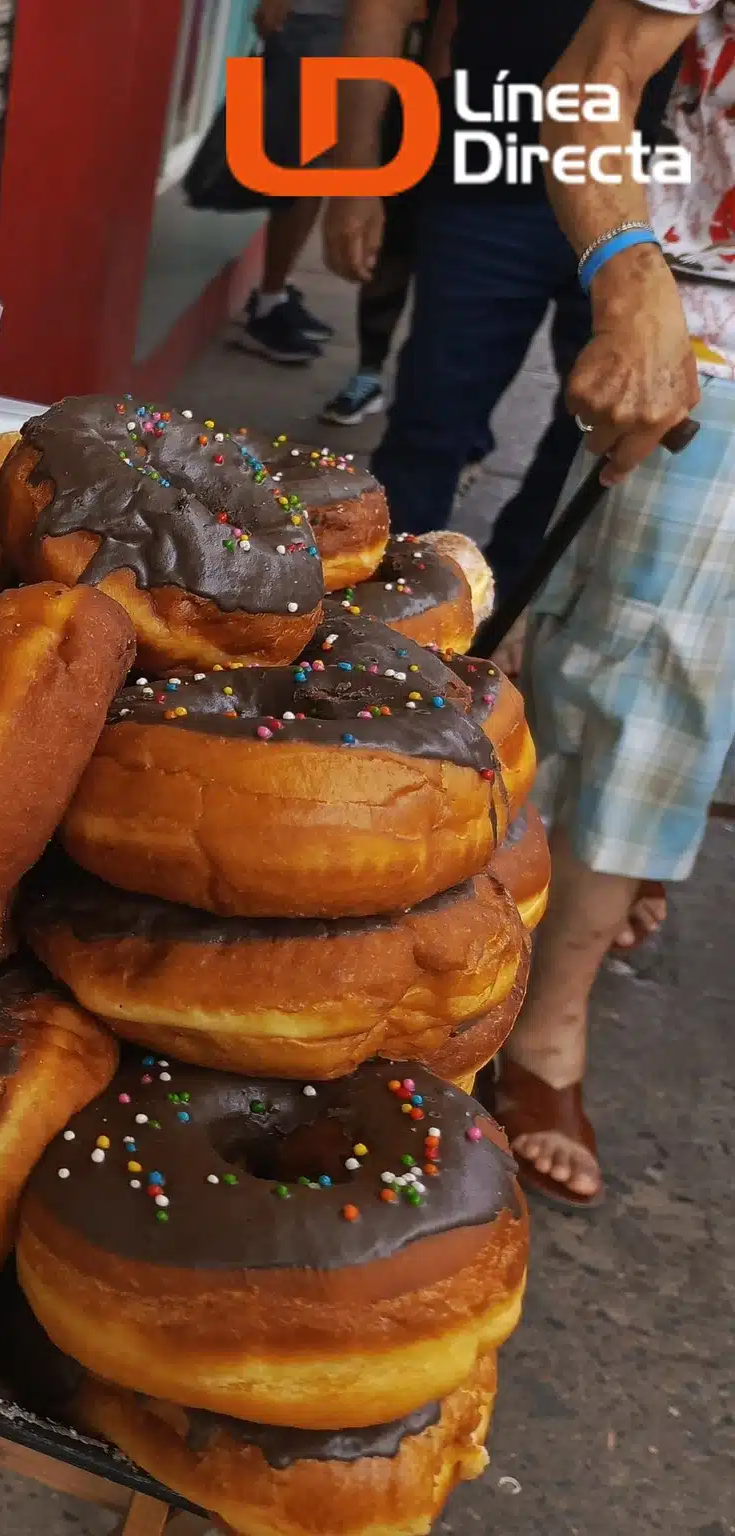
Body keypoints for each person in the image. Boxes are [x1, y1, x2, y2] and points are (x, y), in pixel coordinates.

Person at [497, 0, 728, 1209]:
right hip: (716, 332)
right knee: (641, 683)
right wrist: (624, 279)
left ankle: (610, 877)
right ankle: (537, 1028)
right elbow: (594, 76)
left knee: (692, 713)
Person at [323, 0, 678, 602]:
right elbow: (381, 11)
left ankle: (517, 606)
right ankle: (376, 620)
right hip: (485, 181)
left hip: (650, 199)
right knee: (432, 417)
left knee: (594, 437)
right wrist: (355, 174)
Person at [321, 0, 455, 424]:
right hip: (413, 98)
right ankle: (368, 371)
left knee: (464, 269)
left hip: (502, 114)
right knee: (390, 245)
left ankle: (451, 410)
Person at [234, 0, 346, 364]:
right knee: (301, 169)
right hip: (311, 23)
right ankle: (267, 306)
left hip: (342, 25)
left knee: (315, 171)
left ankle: (276, 292)